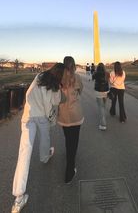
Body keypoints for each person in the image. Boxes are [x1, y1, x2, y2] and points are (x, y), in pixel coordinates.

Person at [11, 63, 65, 213]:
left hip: (28, 116)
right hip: (42, 117)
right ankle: (45, 156)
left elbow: (29, 94)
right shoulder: (55, 86)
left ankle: (18, 196)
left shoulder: (39, 76)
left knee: (24, 153)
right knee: (45, 139)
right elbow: (55, 102)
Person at [57, 56, 84, 184]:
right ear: (73, 65)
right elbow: (81, 90)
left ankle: (70, 157)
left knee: (68, 139)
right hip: (75, 113)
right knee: (74, 140)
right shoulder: (77, 77)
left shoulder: (59, 78)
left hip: (63, 114)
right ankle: (70, 169)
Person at [92, 62, 110, 130]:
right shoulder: (107, 73)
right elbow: (108, 80)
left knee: (100, 107)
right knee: (103, 106)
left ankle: (103, 124)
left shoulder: (95, 73)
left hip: (98, 92)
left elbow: (93, 78)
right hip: (106, 91)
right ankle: (103, 116)